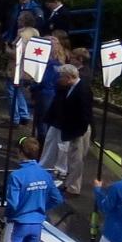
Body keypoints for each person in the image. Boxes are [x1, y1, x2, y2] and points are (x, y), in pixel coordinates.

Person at [1, 137, 58, 242]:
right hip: (37, 224)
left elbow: (13, 203)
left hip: (18, 224)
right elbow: (57, 198)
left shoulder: (16, 176)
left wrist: (7, 214)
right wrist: (41, 208)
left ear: (20, 152)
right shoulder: (45, 175)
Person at [39, 64, 92, 195]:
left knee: (76, 160)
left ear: (68, 77)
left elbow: (85, 114)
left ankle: (73, 188)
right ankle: (68, 184)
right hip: (69, 127)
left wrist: (78, 132)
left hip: (79, 129)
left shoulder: (83, 90)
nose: (59, 79)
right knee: (70, 158)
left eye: (61, 76)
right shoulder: (67, 88)